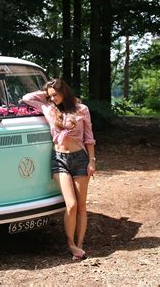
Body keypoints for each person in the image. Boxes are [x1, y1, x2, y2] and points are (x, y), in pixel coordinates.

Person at [22, 78, 96, 260]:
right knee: (70, 205)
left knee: (81, 206)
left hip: (80, 159)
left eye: (55, 95)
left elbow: (89, 138)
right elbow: (27, 98)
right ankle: (70, 244)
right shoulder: (48, 108)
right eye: (50, 96)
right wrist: (46, 92)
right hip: (59, 159)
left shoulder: (82, 110)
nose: (52, 98)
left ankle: (80, 244)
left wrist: (92, 161)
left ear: (65, 92)